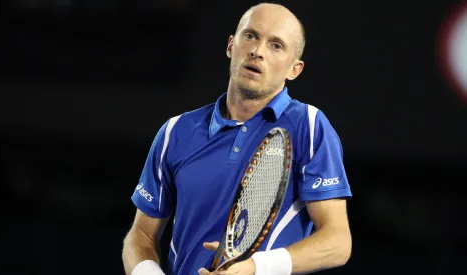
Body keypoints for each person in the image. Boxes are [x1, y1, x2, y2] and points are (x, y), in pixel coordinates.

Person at [122, 3, 352, 275]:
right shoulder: (176, 131)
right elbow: (141, 236)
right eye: (251, 36)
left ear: (295, 69)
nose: (258, 51)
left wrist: (254, 268)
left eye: (276, 45)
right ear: (232, 45)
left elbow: (337, 242)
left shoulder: (309, 126)